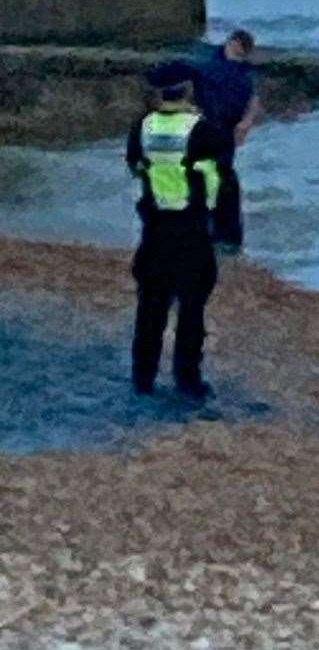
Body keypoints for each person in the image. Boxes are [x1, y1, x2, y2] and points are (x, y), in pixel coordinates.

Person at [126, 61, 225, 400]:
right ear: (189, 90)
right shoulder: (203, 130)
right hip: (191, 230)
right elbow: (220, 177)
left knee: (150, 309)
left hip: (154, 230)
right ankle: (188, 378)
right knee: (191, 309)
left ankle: (143, 377)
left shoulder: (142, 127)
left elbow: (135, 167)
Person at [195, 29, 260, 252]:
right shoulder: (208, 63)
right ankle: (208, 230)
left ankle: (226, 236)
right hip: (207, 126)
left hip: (228, 130)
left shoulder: (244, 71)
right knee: (208, 175)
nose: (239, 52)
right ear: (231, 43)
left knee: (224, 177)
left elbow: (253, 98)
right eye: (238, 47)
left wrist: (246, 123)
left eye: (243, 50)